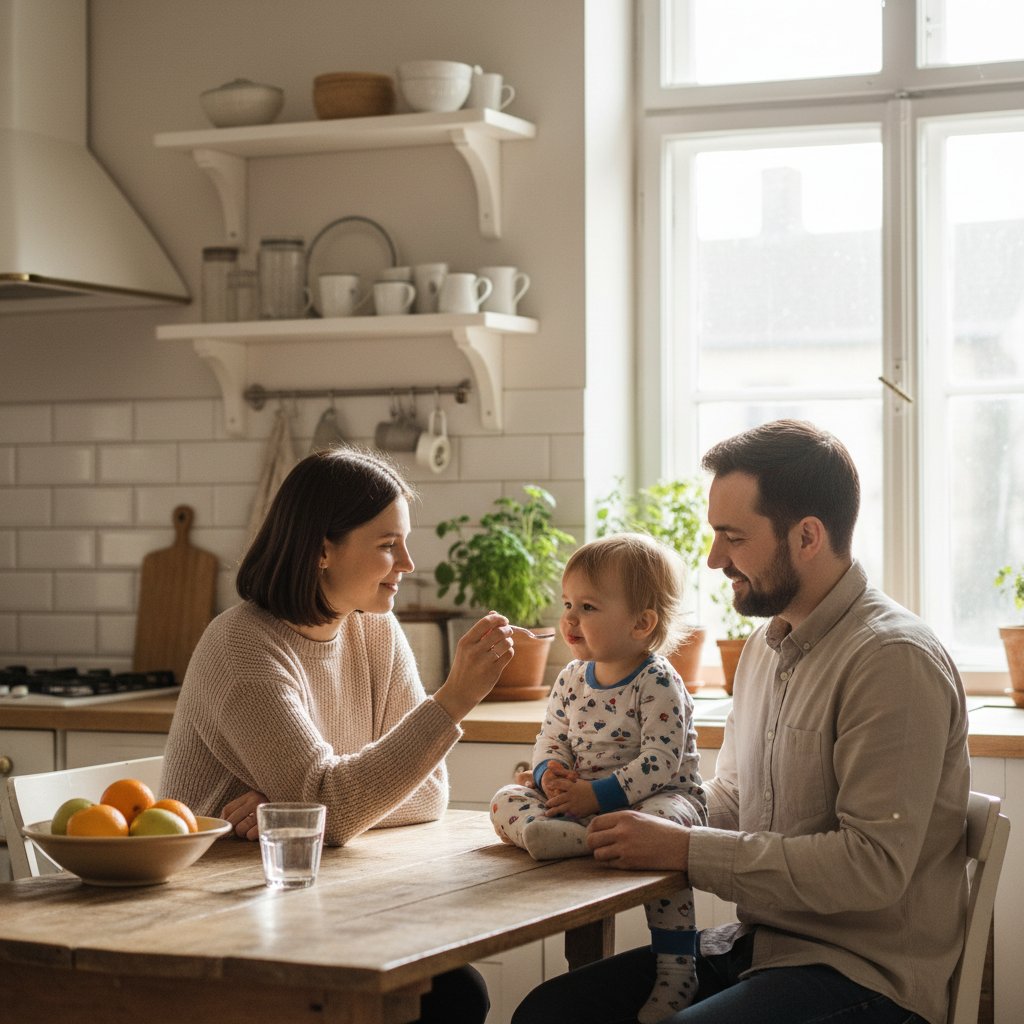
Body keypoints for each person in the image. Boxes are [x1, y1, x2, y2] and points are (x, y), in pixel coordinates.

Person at [513, 420, 970, 1024]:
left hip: (866, 974)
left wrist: (685, 846)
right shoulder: (763, 649)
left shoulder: (892, 661)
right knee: (551, 1011)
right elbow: (731, 797)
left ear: (807, 536)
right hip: (759, 947)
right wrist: (613, 815)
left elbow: (871, 868)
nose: (713, 558)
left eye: (733, 536)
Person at [160, 447, 517, 1024]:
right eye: (386, 544)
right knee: (449, 999)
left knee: (455, 992)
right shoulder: (242, 645)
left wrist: (299, 810)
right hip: (216, 926)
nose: (407, 562)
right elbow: (339, 802)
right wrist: (453, 700)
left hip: (311, 907)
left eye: (403, 541)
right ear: (322, 549)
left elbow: (429, 794)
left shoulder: (374, 628)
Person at [490, 533, 707, 1024]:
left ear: (641, 623)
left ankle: (678, 970)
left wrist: (595, 795)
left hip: (661, 797)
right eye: (567, 603)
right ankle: (563, 836)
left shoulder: (657, 681)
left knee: (663, 833)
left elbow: (661, 761)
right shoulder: (571, 677)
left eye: (587, 606)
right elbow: (551, 738)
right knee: (506, 797)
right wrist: (548, 777)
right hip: (585, 800)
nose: (569, 618)